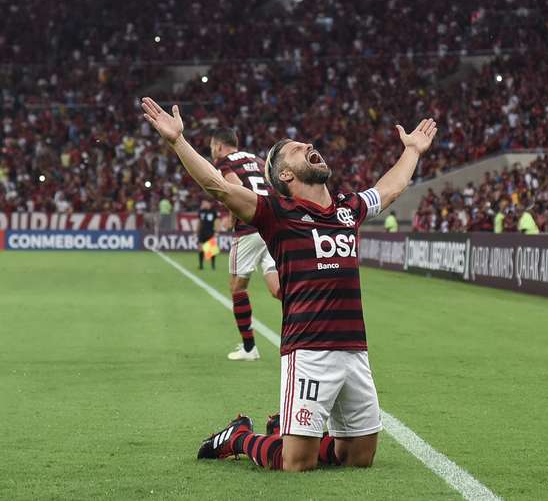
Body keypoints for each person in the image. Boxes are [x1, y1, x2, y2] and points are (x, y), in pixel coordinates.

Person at [141, 97, 437, 472]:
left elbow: (390, 188)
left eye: (307, 145)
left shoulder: (348, 209)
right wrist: (177, 142)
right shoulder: (276, 214)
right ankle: (238, 438)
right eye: (298, 150)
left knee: (359, 458)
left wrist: (412, 151)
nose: (309, 147)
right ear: (285, 175)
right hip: (309, 350)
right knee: (297, 464)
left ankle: (287, 429)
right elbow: (217, 186)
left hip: (355, 350)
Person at [210, 127, 281, 361]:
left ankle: (249, 348)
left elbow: (234, 191)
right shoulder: (258, 160)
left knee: (237, 287)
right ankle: (314, 319)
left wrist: (232, 219)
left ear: (219, 146)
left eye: (212, 147)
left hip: (250, 228)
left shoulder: (224, 163)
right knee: (278, 289)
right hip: (273, 225)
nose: (212, 152)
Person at [197, 199, 219, 270]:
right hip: (202, 232)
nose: (203, 204)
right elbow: (199, 222)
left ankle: (213, 265)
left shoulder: (213, 212)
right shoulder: (201, 211)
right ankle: (201, 266)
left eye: (204, 203)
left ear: (208, 203)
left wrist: (216, 232)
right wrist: (196, 231)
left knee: (211, 250)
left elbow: (217, 222)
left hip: (210, 232)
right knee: (200, 248)